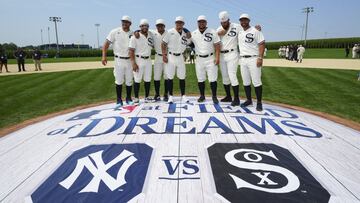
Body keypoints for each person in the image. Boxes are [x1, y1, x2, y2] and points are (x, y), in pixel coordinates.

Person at [102, 15, 134, 107]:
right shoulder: (114, 32)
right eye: (123, 21)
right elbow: (105, 45)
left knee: (129, 80)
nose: (124, 23)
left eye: (126, 22)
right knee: (119, 80)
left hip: (129, 60)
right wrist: (104, 56)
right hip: (118, 60)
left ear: (130, 24)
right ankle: (119, 100)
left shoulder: (132, 33)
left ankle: (128, 98)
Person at [190, 15, 221, 104]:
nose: (201, 23)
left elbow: (217, 45)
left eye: (203, 21)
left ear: (206, 22)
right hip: (199, 59)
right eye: (200, 22)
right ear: (197, 23)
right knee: (200, 78)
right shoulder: (194, 33)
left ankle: (214, 96)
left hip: (210, 58)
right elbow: (189, 42)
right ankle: (202, 96)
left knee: (213, 79)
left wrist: (217, 57)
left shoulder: (212, 31)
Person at [238, 13, 265, 111]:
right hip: (243, 59)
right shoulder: (240, 32)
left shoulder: (255, 30)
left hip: (253, 58)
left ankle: (259, 102)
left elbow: (262, 44)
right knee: (246, 82)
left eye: (245, 20)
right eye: (241, 20)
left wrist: (260, 58)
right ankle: (249, 100)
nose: (243, 22)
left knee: (256, 81)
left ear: (249, 21)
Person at [161, 16, 191, 104]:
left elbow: (190, 41)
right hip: (171, 56)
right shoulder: (170, 32)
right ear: (175, 23)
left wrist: (187, 31)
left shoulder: (185, 33)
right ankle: (170, 96)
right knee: (170, 77)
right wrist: (164, 55)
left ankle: (183, 95)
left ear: (183, 24)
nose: (179, 24)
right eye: (177, 22)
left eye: (181, 23)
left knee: (182, 76)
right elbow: (163, 44)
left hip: (181, 57)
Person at [216, 11, 241, 106]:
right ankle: (228, 96)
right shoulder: (218, 29)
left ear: (228, 20)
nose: (223, 24)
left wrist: (256, 28)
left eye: (225, 22)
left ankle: (237, 98)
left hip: (232, 53)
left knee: (232, 75)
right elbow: (214, 40)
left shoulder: (236, 26)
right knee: (225, 77)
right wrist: (218, 33)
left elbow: (247, 30)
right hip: (222, 55)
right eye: (222, 23)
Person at [129, 19, 154, 103]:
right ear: (140, 27)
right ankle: (136, 97)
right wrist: (133, 63)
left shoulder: (150, 34)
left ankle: (147, 97)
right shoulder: (135, 37)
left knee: (148, 79)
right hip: (139, 59)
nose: (145, 27)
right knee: (137, 79)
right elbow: (131, 51)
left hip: (148, 60)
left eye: (146, 26)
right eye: (143, 26)